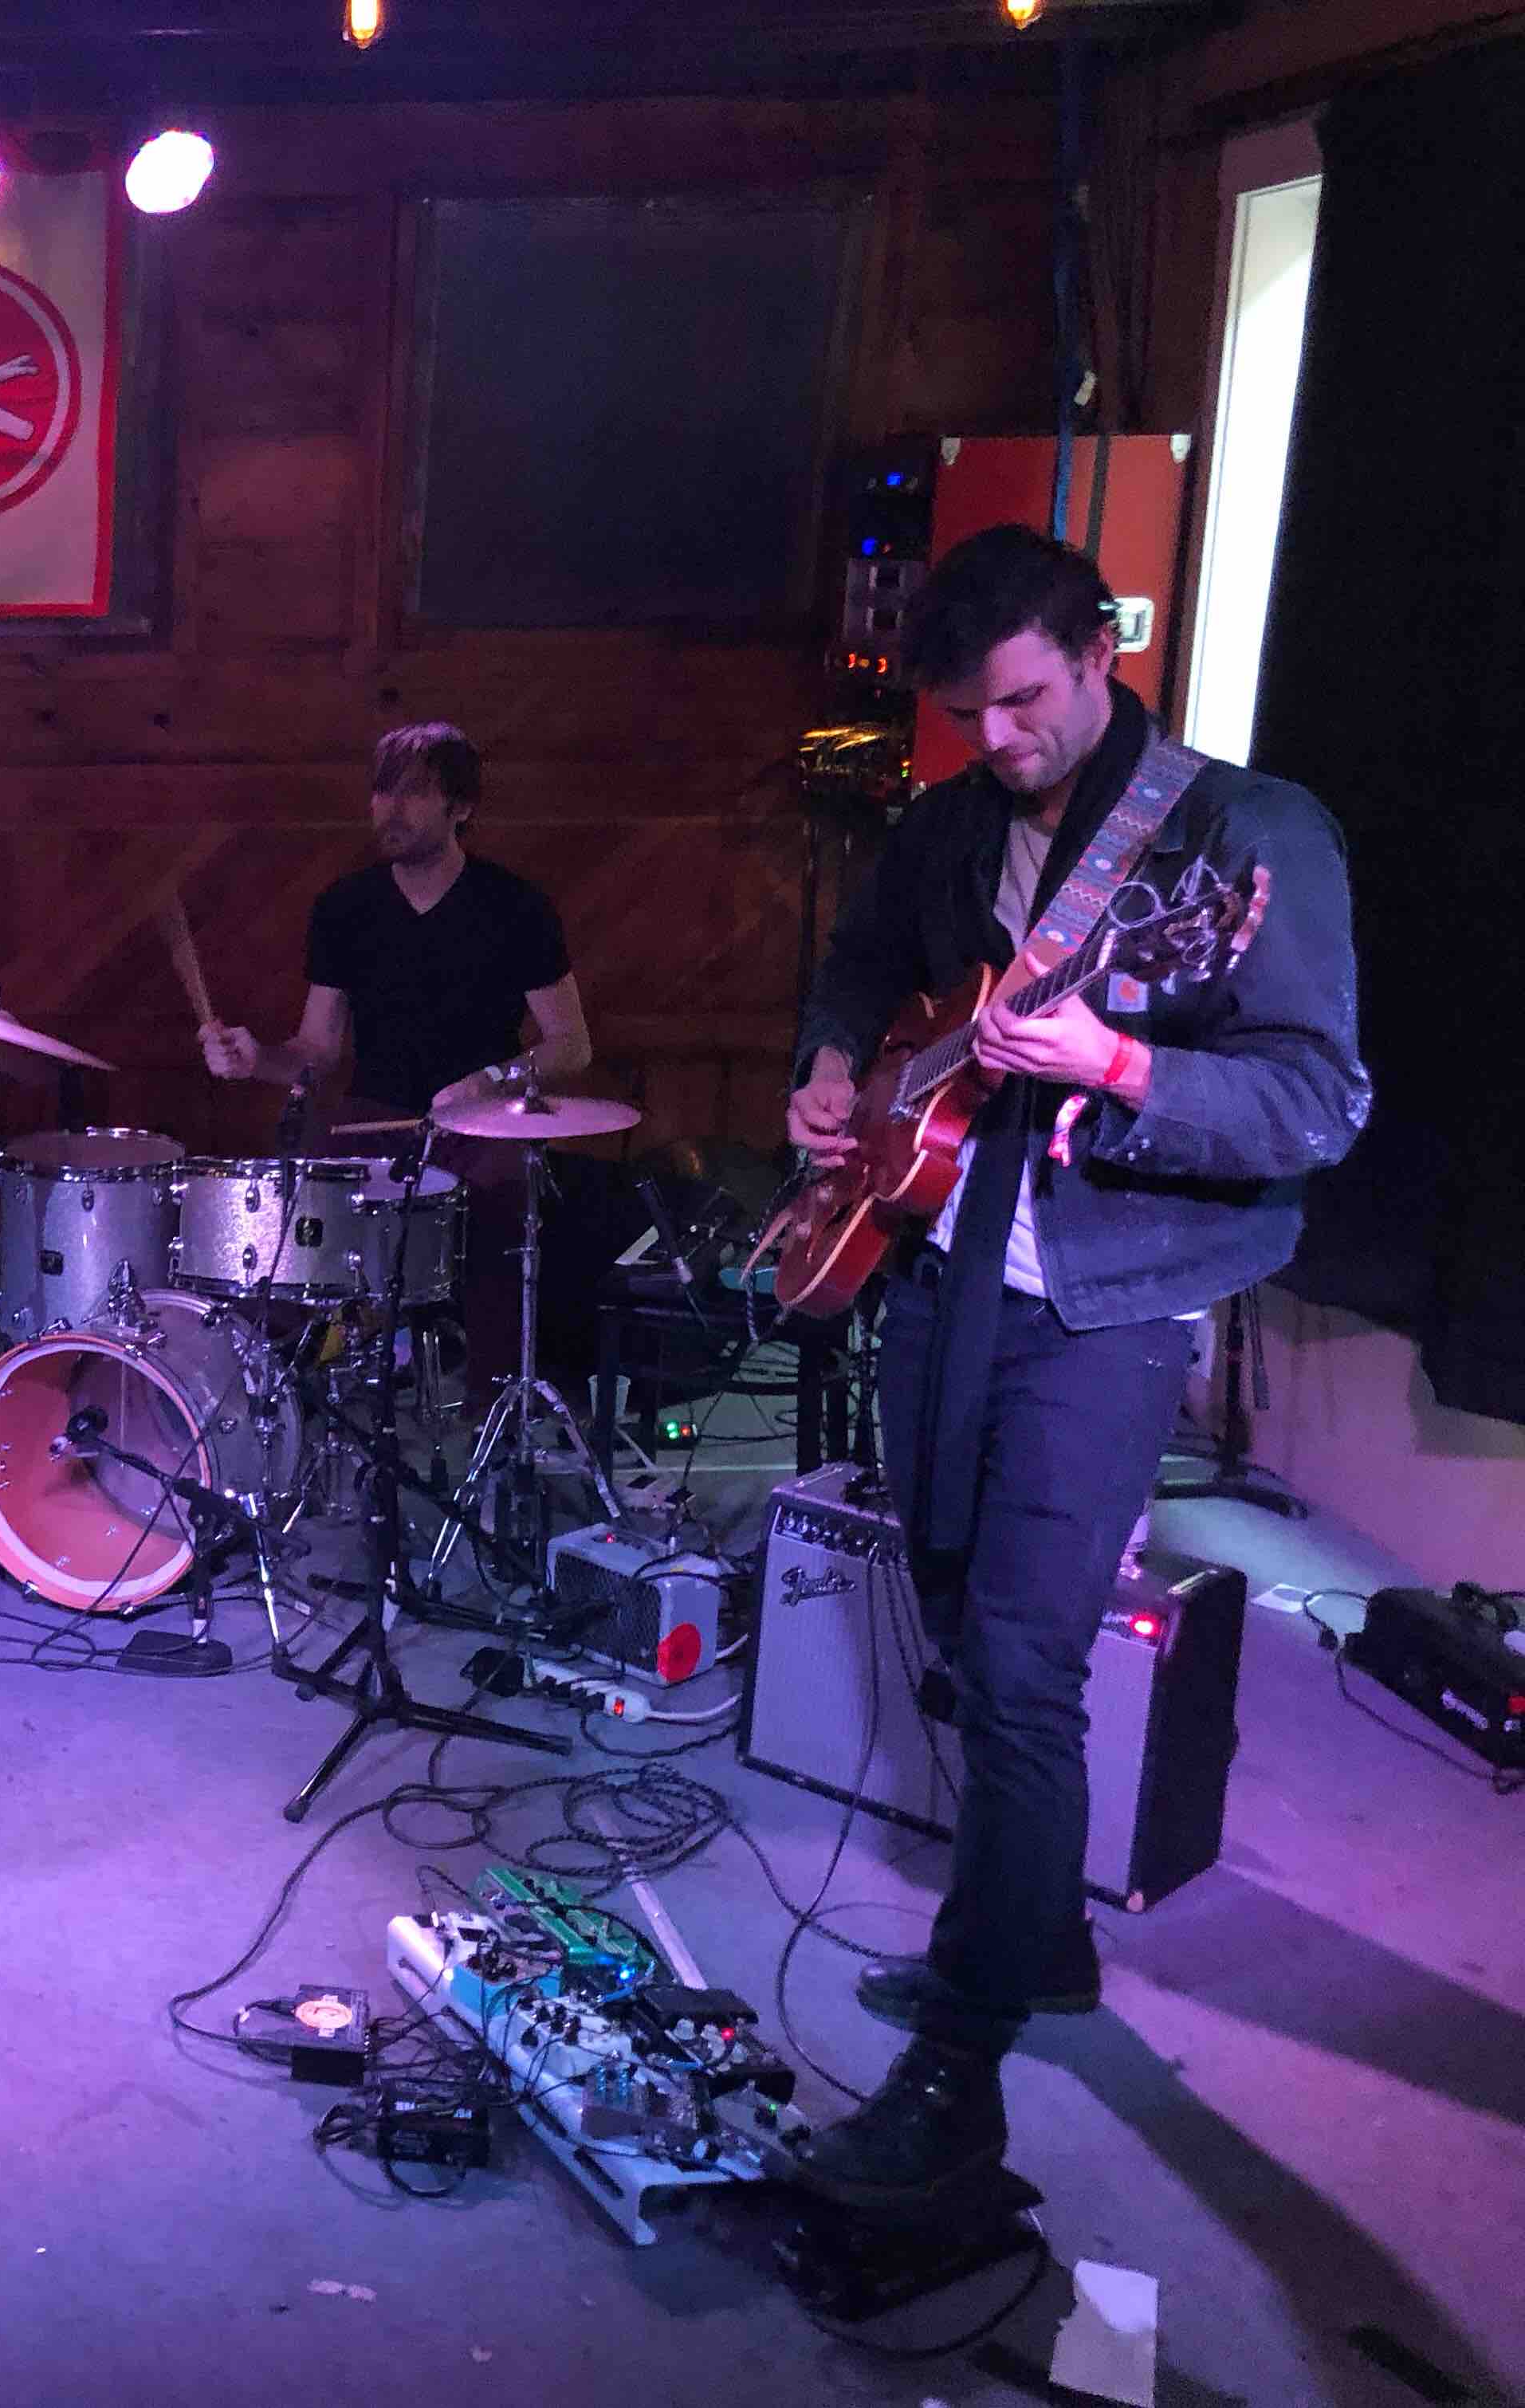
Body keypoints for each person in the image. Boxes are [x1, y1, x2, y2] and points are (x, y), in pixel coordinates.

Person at [775, 525, 1367, 2210]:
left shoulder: (1243, 836)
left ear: (1102, 649)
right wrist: (836, 1063)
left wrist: (1118, 1060)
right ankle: (1041, 1947)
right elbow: (861, 961)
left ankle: (957, 2076)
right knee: (951, 1615)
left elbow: (1315, 1102)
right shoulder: (952, 822)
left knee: (1024, 1662)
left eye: (1024, 701)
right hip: (944, 1263)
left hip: (1104, 1303)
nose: (1000, 740)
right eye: (968, 714)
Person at [198, 721, 594, 1406]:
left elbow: (571, 1045)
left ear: (460, 807)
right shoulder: (345, 908)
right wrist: (255, 1058)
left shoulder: (515, 907)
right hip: (373, 1121)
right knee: (294, 1212)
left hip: (481, 1127)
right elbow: (318, 1052)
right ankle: (284, 1405)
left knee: (510, 1200)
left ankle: (495, 1412)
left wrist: (491, 1080)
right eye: (382, 791)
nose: (390, 809)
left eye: (412, 793)